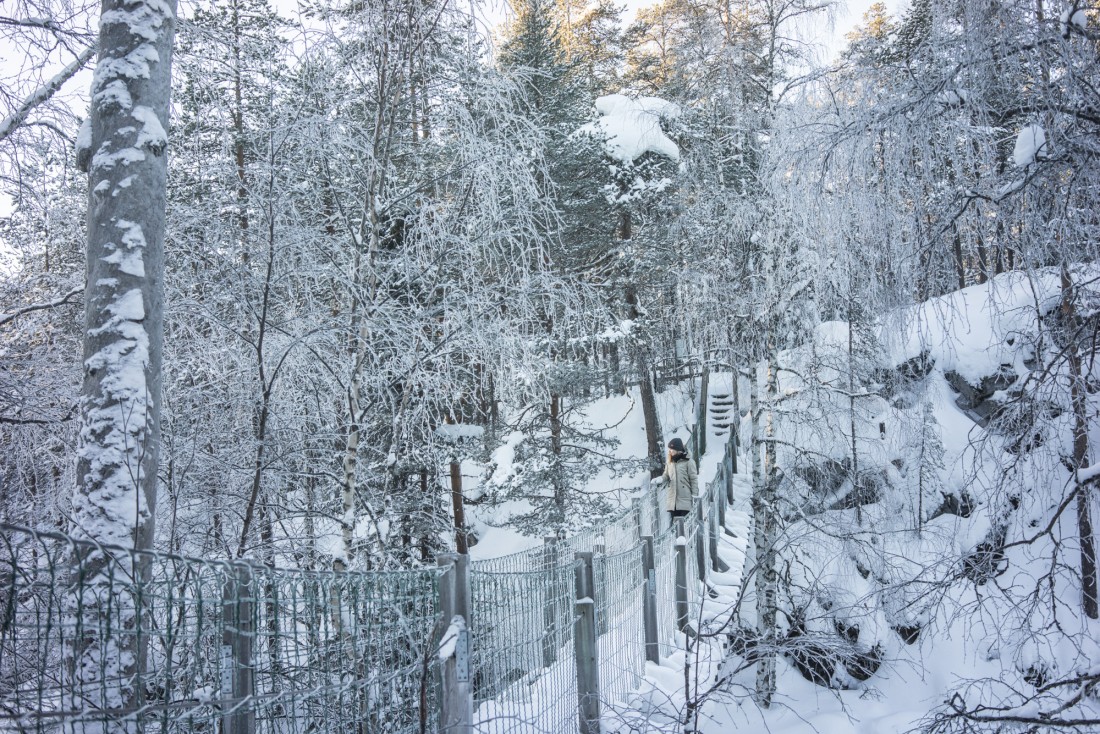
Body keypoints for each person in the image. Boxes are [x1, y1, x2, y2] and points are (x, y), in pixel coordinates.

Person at [663, 437, 698, 524]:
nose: (670, 451)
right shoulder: (669, 462)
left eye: (672, 449)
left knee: (685, 525)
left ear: (678, 449)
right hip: (672, 501)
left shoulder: (689, 462)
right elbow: (666, 475)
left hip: (685, 500)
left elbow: (693, 479)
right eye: (669, 449)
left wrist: (695, 496)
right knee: (675, 527)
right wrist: (660, 479)